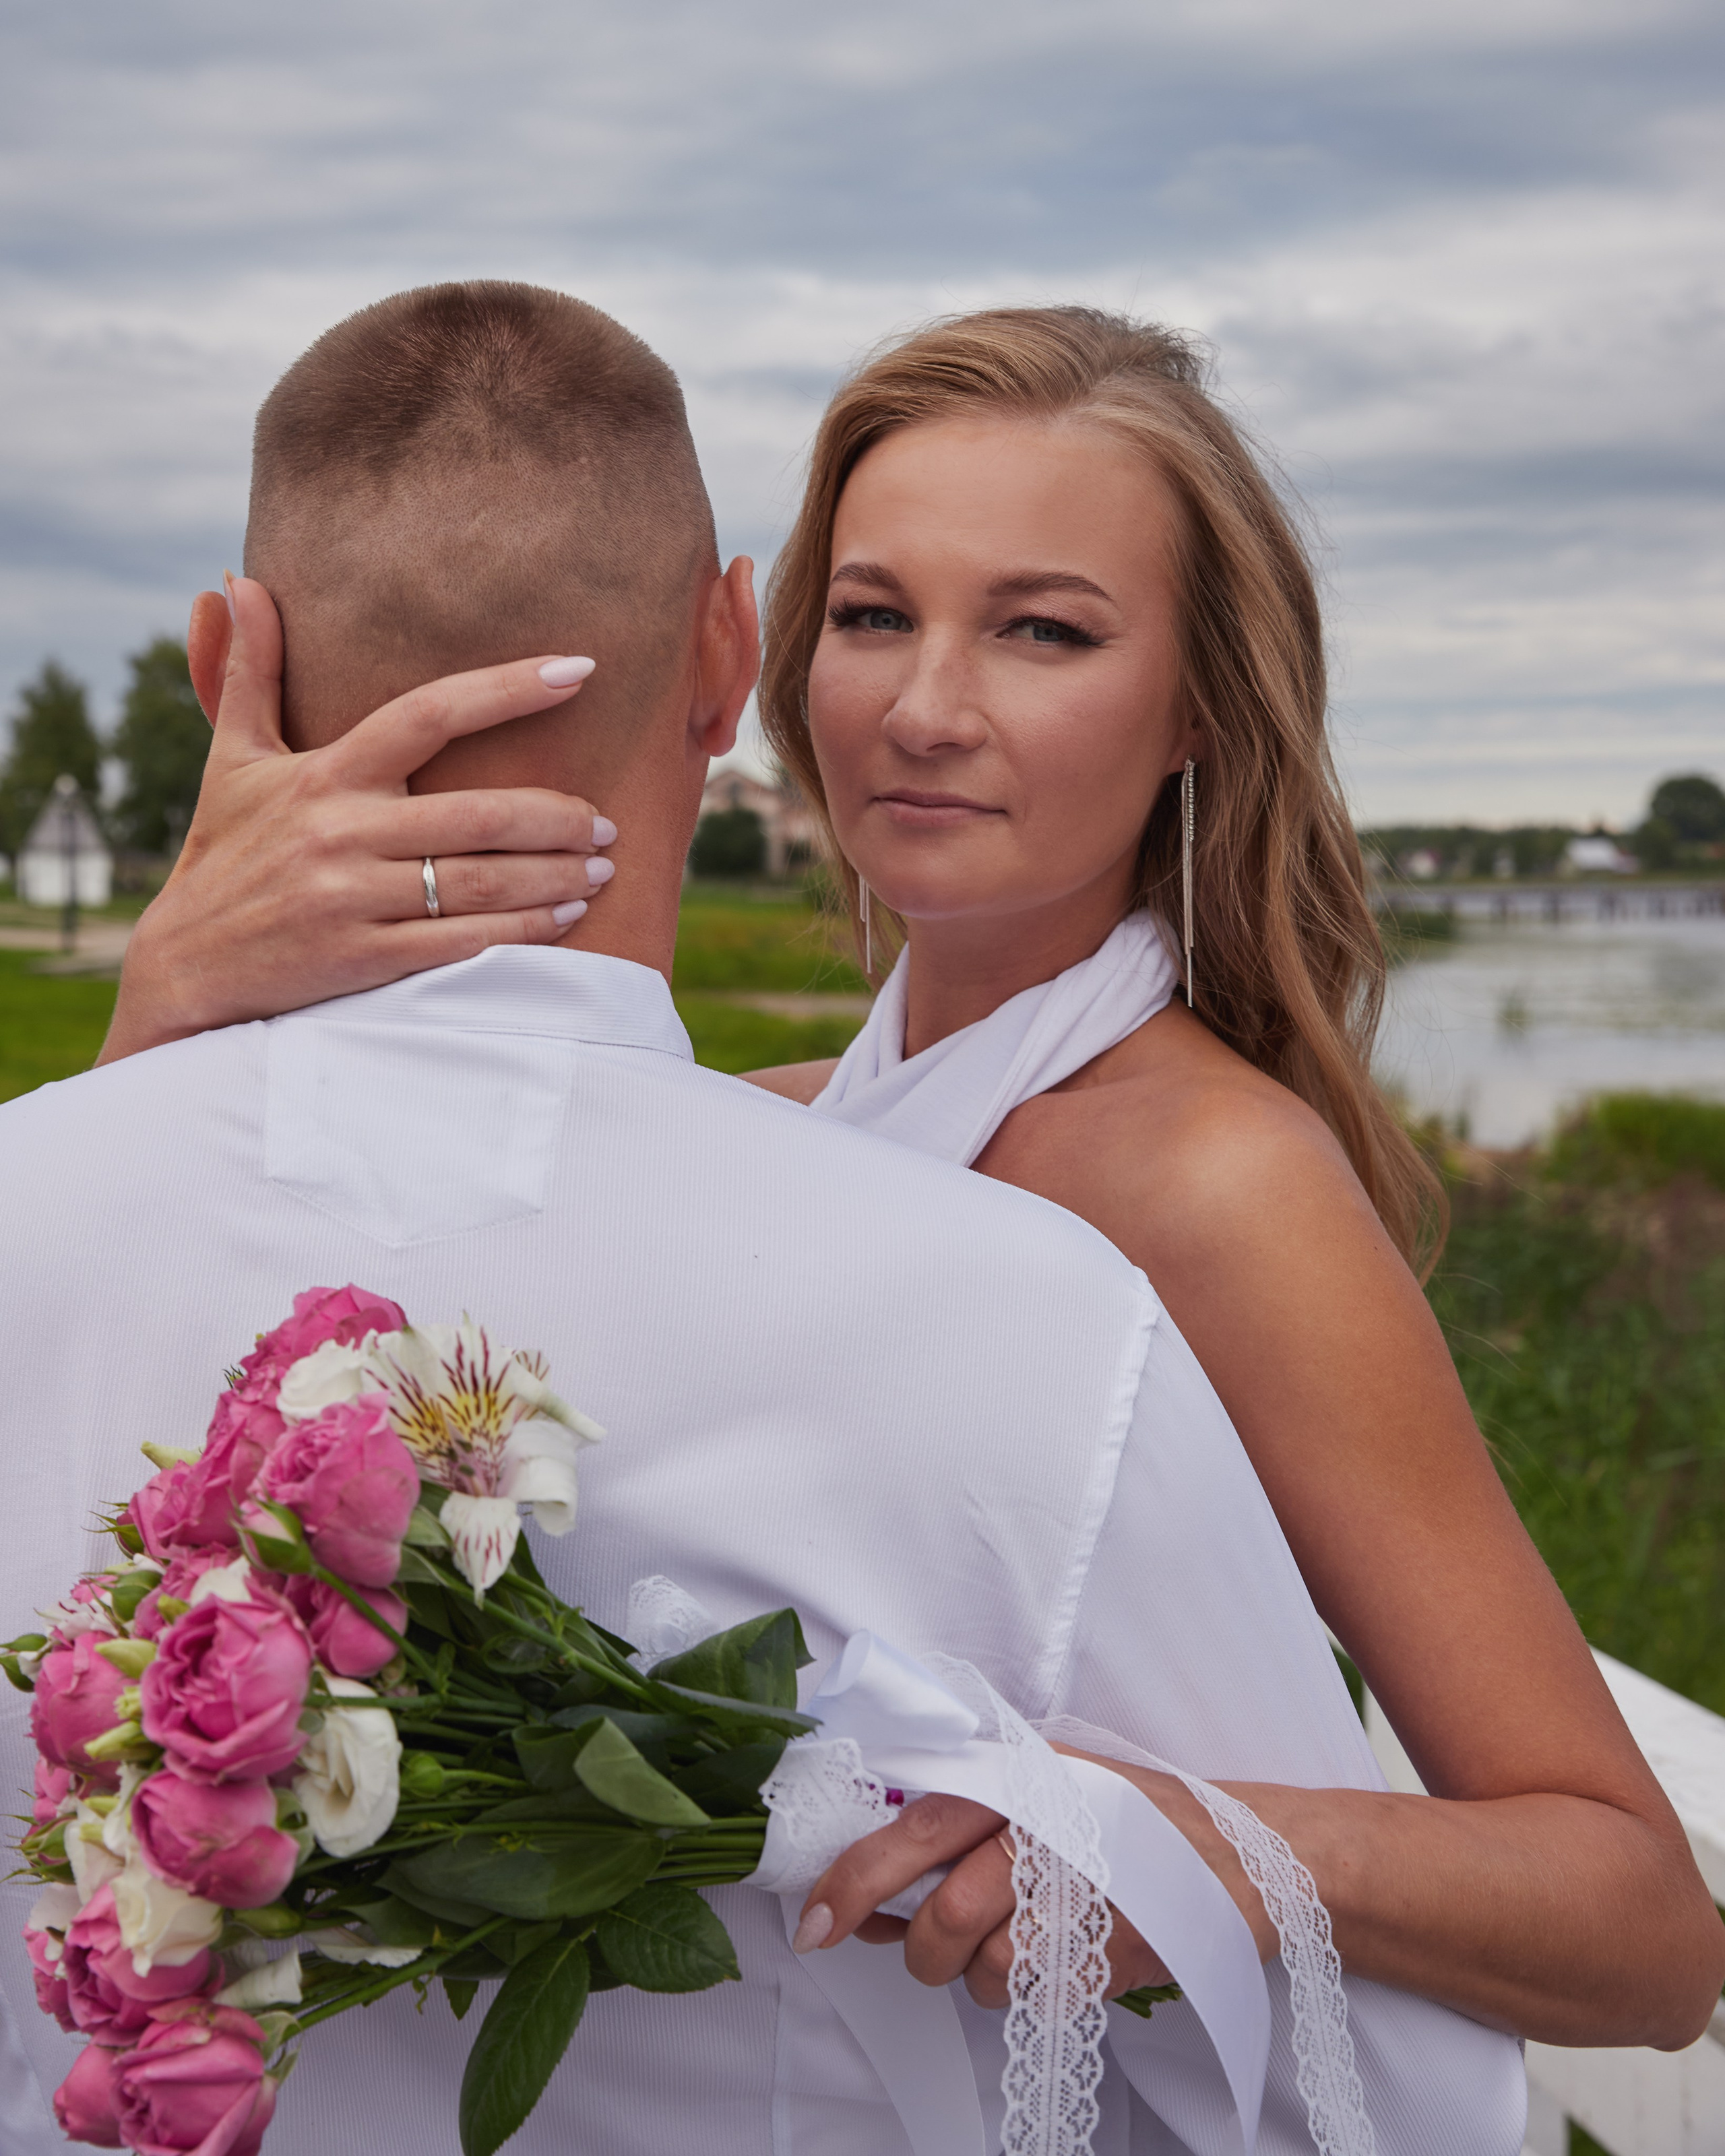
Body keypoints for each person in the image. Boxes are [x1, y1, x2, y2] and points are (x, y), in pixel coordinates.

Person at [98, 295, 1725, 2076]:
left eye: (1043, 630)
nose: (928, 709)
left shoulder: (1219, 1187)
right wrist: (167, 1006)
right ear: (765, 655)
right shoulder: (759, 1120)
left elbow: (1644, 1927)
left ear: (1195, 705)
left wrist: (1188, 1843)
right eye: (874, 617)